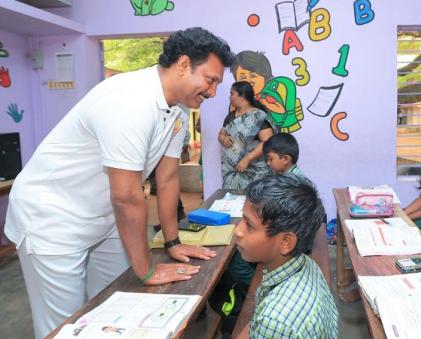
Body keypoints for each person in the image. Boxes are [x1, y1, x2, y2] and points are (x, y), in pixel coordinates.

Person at [4, 27, 234, 338]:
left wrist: (173, 242)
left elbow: (167, 179)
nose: (213, 92)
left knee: (120, 304)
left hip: (102, 216)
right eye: (211, 80)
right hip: (52, 218)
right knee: (67, 325)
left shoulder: (176, 110)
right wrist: (148, 268)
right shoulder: (130, 100)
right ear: (183, 65)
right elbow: (126, 197)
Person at [234, 175, 338, 339]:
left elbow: (271, 323)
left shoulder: (275, 321)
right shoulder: (305, 263)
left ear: (286, 242)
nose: (238, 231)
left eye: (249, 225)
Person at [219, 81, 275, 189]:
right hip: (231, 173)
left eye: (232, 94)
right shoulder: (231, 116)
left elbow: (268, 142)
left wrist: (247, 159)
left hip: (253, 173)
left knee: (252, 203)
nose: (229, 97)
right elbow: (221, 133)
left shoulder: (258, 116)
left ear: (242, 96)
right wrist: (223, 138)